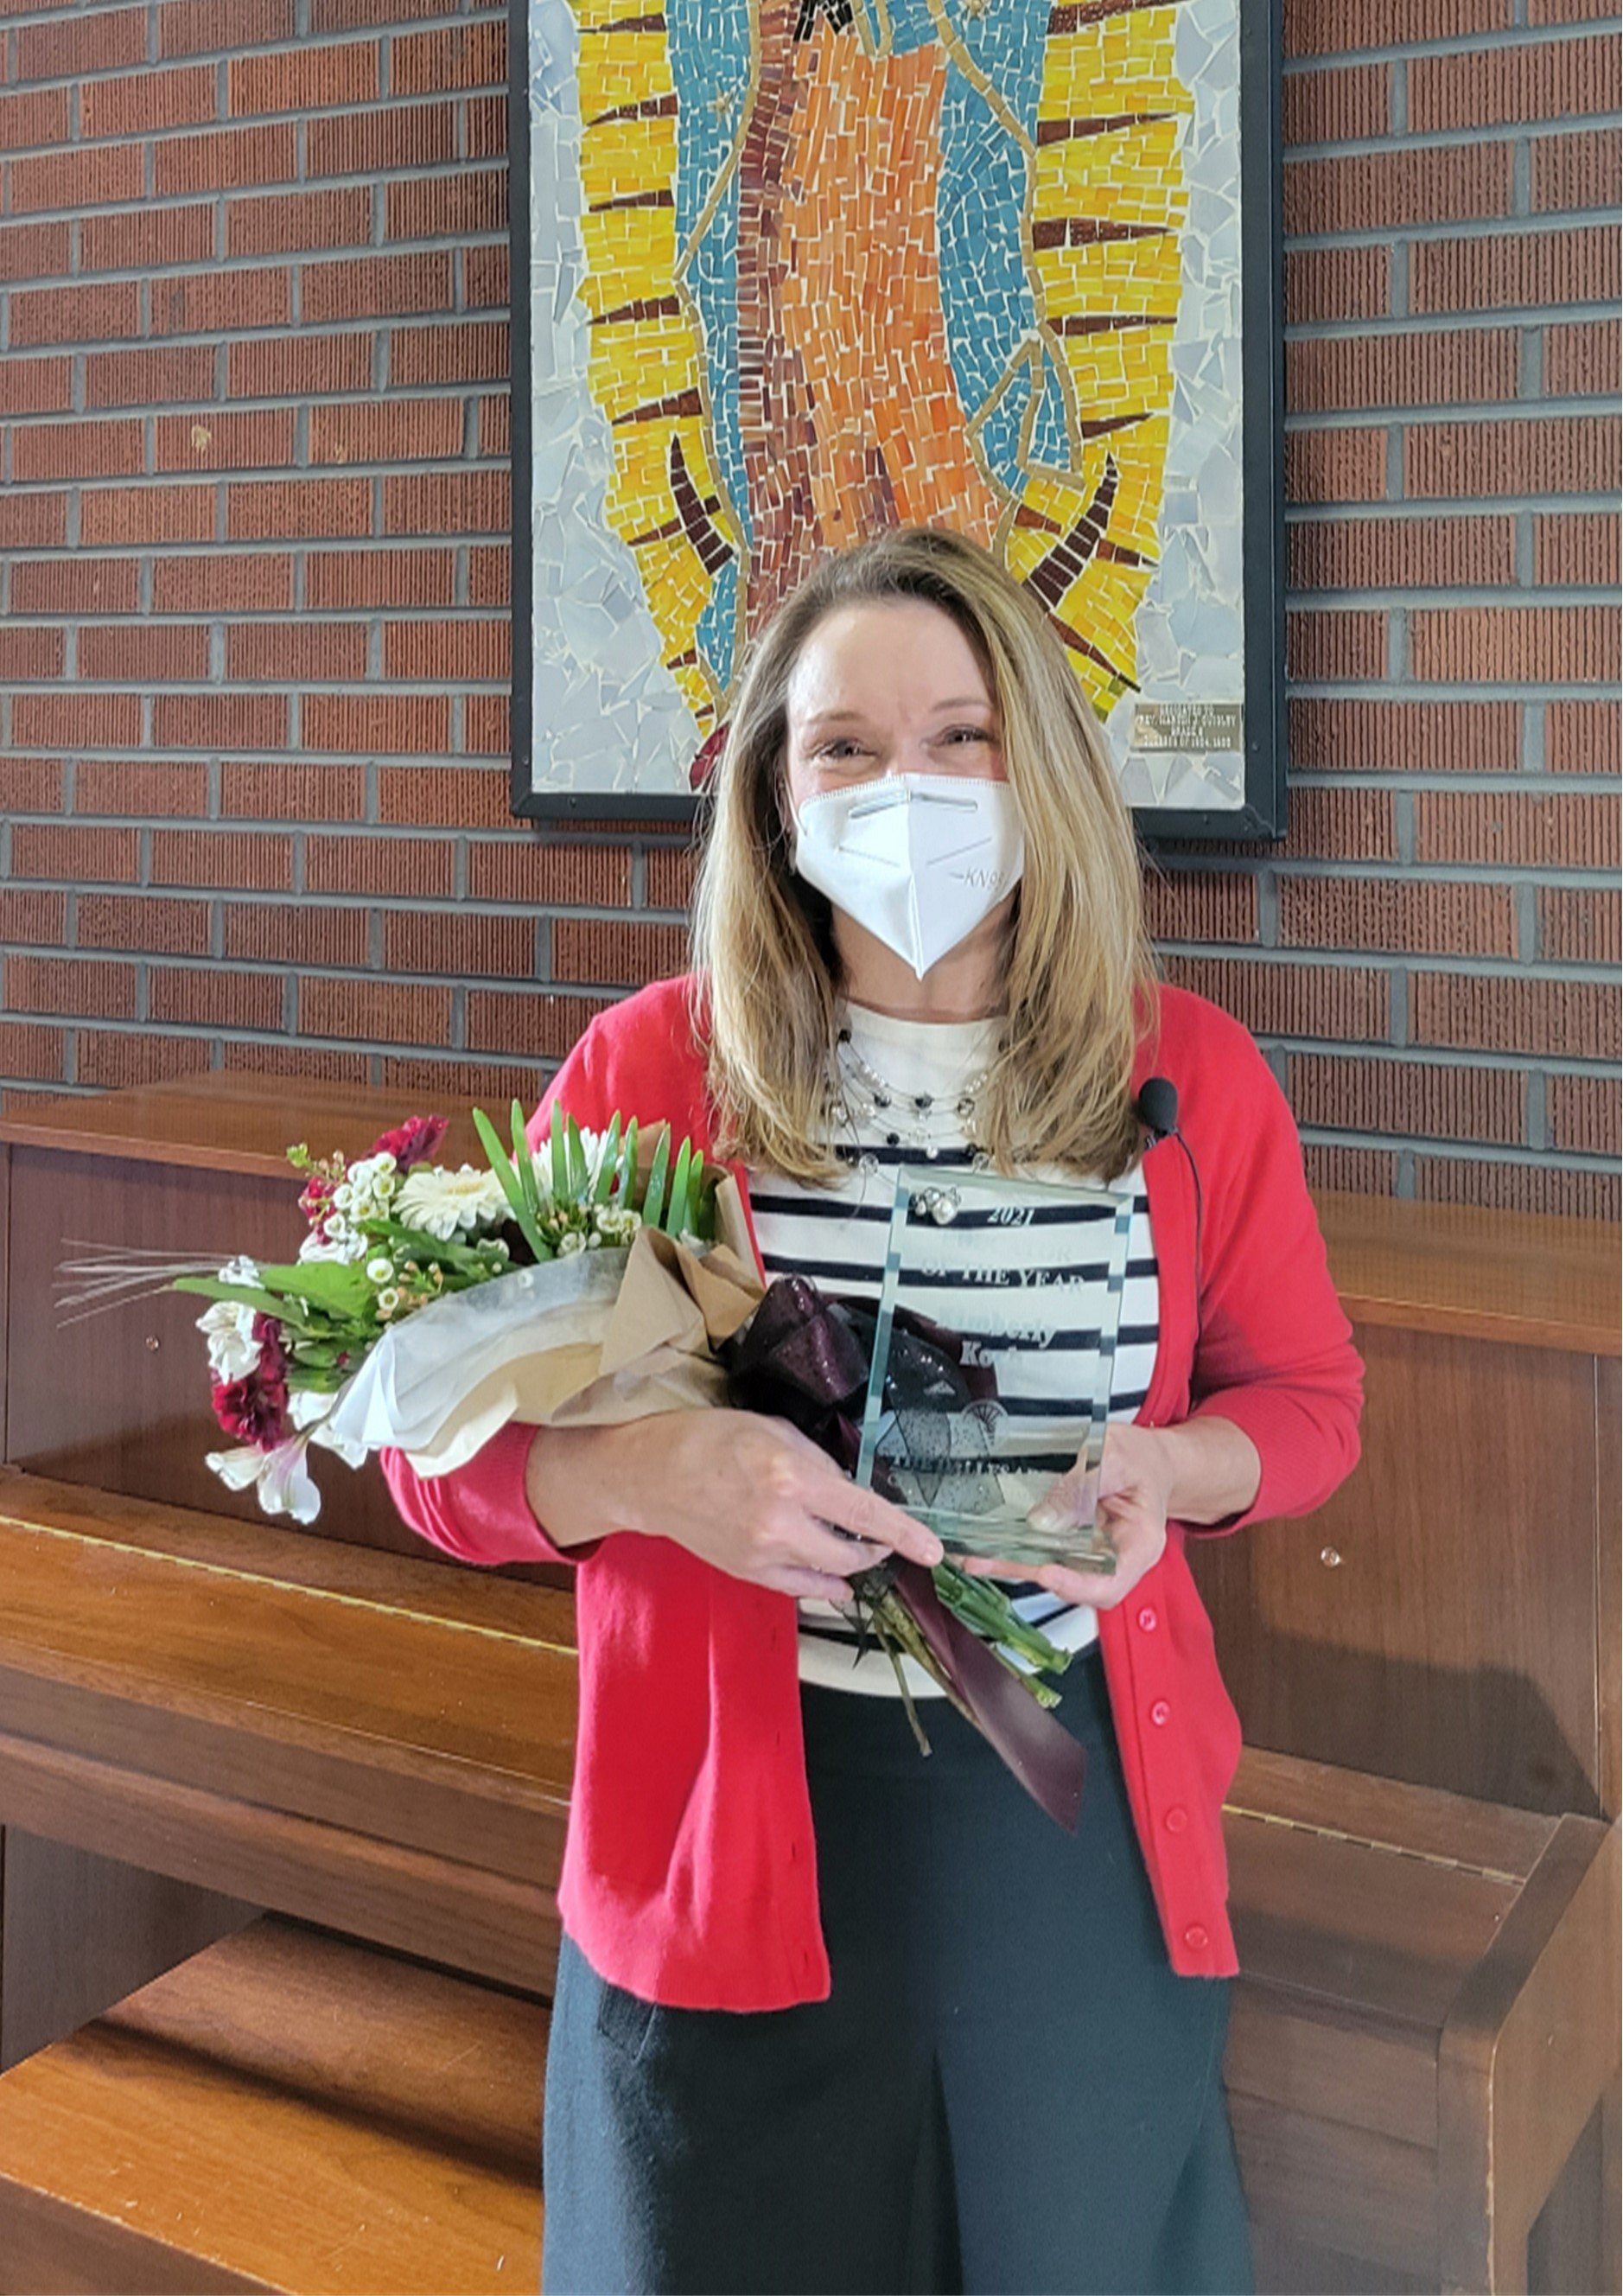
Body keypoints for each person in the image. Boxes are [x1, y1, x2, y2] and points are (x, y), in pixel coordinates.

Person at [379, 524, 1366, 2294]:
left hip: (1072, 1822)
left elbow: (1305, 1400)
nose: (903, 784)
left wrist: (1177, 1468)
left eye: (959, 735)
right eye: (842, 744)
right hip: (732, 1832)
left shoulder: (1188, 1074)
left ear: (1038, 764)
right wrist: (649, 1472)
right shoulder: (653, 1074)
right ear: (772, 790)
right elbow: (437, 1462)